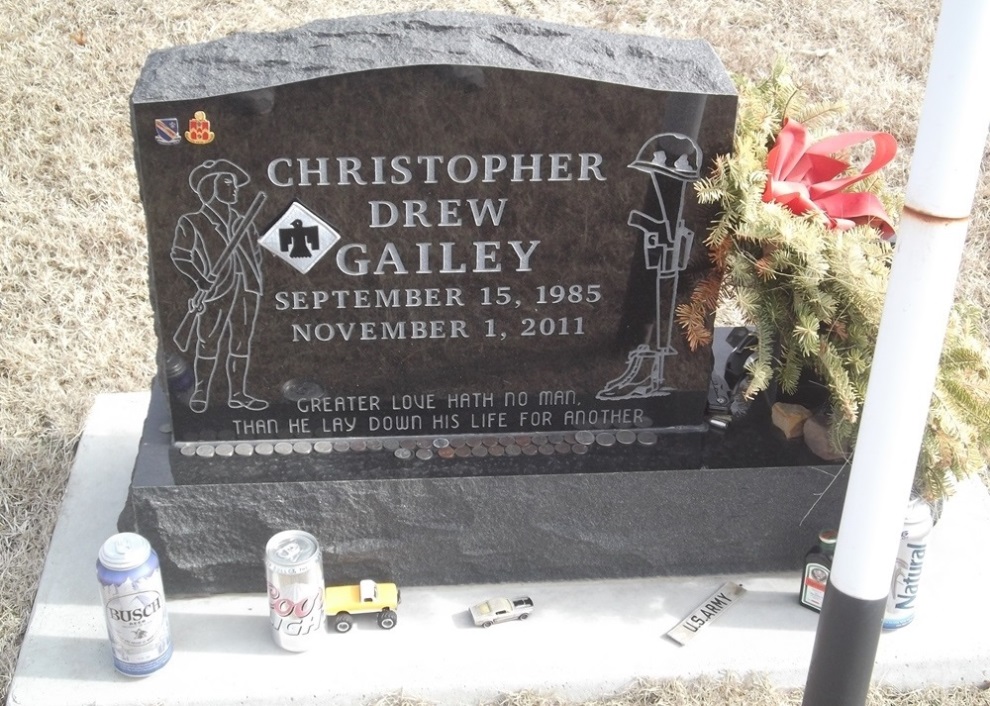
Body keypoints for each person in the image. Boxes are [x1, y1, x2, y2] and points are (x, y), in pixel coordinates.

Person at [171, 159, 268, 413]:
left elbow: (255, 254)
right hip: (216, 291)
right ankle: (203, 392)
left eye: (235, 184)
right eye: (228, 183)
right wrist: (199, 280)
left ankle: (238, 394)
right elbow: (181, 256)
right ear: (210, 187)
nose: (234, 189)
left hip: (245, 288)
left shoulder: (241, 221)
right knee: (208, 343)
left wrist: (254, 279)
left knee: (241, 342)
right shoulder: (193, 221)